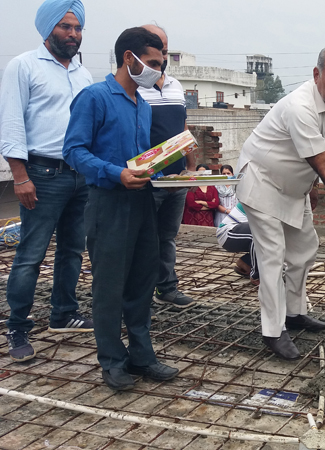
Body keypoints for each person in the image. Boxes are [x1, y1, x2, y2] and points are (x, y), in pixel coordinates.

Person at [236, 47, 325, 360]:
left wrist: (309, 186)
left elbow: (318, 160)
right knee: (272, 258)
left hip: (293, 187)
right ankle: (273, 332)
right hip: (262, 181)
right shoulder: (299, 107)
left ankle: (294, 312)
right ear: (316, 75)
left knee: (304, 249)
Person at [63, 27, 179, 391]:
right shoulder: (95, 97)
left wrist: (172, 168)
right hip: (109, 202)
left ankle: (142, 355)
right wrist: (116, 173)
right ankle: (112, 361)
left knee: (143, 281)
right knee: (110, 286)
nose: (158, 73)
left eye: (161, 66)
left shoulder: (142, 106)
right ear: (130, 58)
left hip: (141, 201)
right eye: (154, 63)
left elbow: (140, 159)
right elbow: (73, 150)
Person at [0, 0, 94, 363]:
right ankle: (18, 325)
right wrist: (20, 177)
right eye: (65, 26)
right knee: (31, 255)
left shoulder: (83, 75)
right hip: (41, 174)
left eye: (77, 28)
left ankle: (63, 313)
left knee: (72, 250)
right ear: (47, 29)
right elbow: (11, 125)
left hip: (78, 174)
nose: (72, 34)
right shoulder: (24, 66)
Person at [137, 23, 196, 309]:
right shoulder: (134, 87)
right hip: (148, 178)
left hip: (177, 178)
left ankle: (167, 287)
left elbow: (182, 128)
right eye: (155, 47)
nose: (161, 54)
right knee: (143, 236)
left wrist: (191, 167)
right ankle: (140, 291)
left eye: (164, 49)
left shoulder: (175, 86)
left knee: (167, 236)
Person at [216, 202, 258, 283]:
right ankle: (256, 276)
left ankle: (247, 262)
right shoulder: (262, 197)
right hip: (227, 233)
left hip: (241, 232)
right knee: (260, 234)